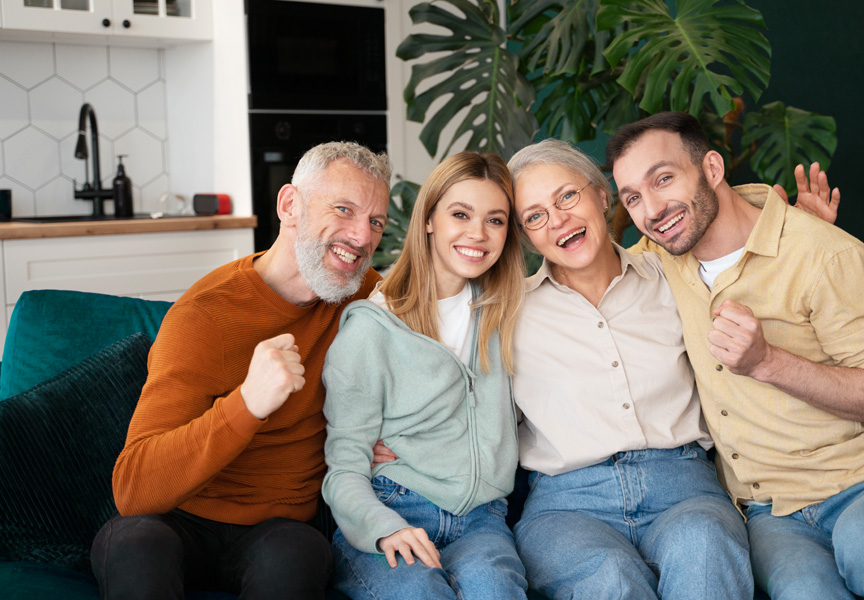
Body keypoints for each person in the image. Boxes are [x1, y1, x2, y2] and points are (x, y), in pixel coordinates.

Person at [608, 111, 864, 600]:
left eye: (664, 179)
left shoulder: (824, 254)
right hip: (771, 511)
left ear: (711, 167)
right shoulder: (659, 257)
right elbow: (584, 269)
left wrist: (767, 361)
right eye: (633, 198)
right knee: (804, 592)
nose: (652, 209)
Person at [90, 141, 392, 600]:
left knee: (298, 555)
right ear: (290, 205)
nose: (362, 237)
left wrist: (386, 433)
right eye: (344, 209)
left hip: (279, 531)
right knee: (135, 546)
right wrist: (248, 403)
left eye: (375, 222)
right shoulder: (204, 315)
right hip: (175, 521)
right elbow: (134, 489)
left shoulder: (366, 295)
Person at [505, 139, 752, 600]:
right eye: (535, 216)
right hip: (566, 505)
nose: (557, 219)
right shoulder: (506, 314)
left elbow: (746, 256)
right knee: (610, 575)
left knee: (704, 546)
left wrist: (806, 233)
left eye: (567, 197)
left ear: (602, 195)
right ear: (525, 235)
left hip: (683, 487)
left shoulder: (673, 275)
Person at [321, 151, 528, 599]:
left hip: (482, 519)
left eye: (495, 220)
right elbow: (343, 469)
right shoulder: (373, 330)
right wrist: (383, 528)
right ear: (429, 219)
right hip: (394, 506)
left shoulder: (509, 313)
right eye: (460, 214)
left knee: (496, 590)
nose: (478, 233)